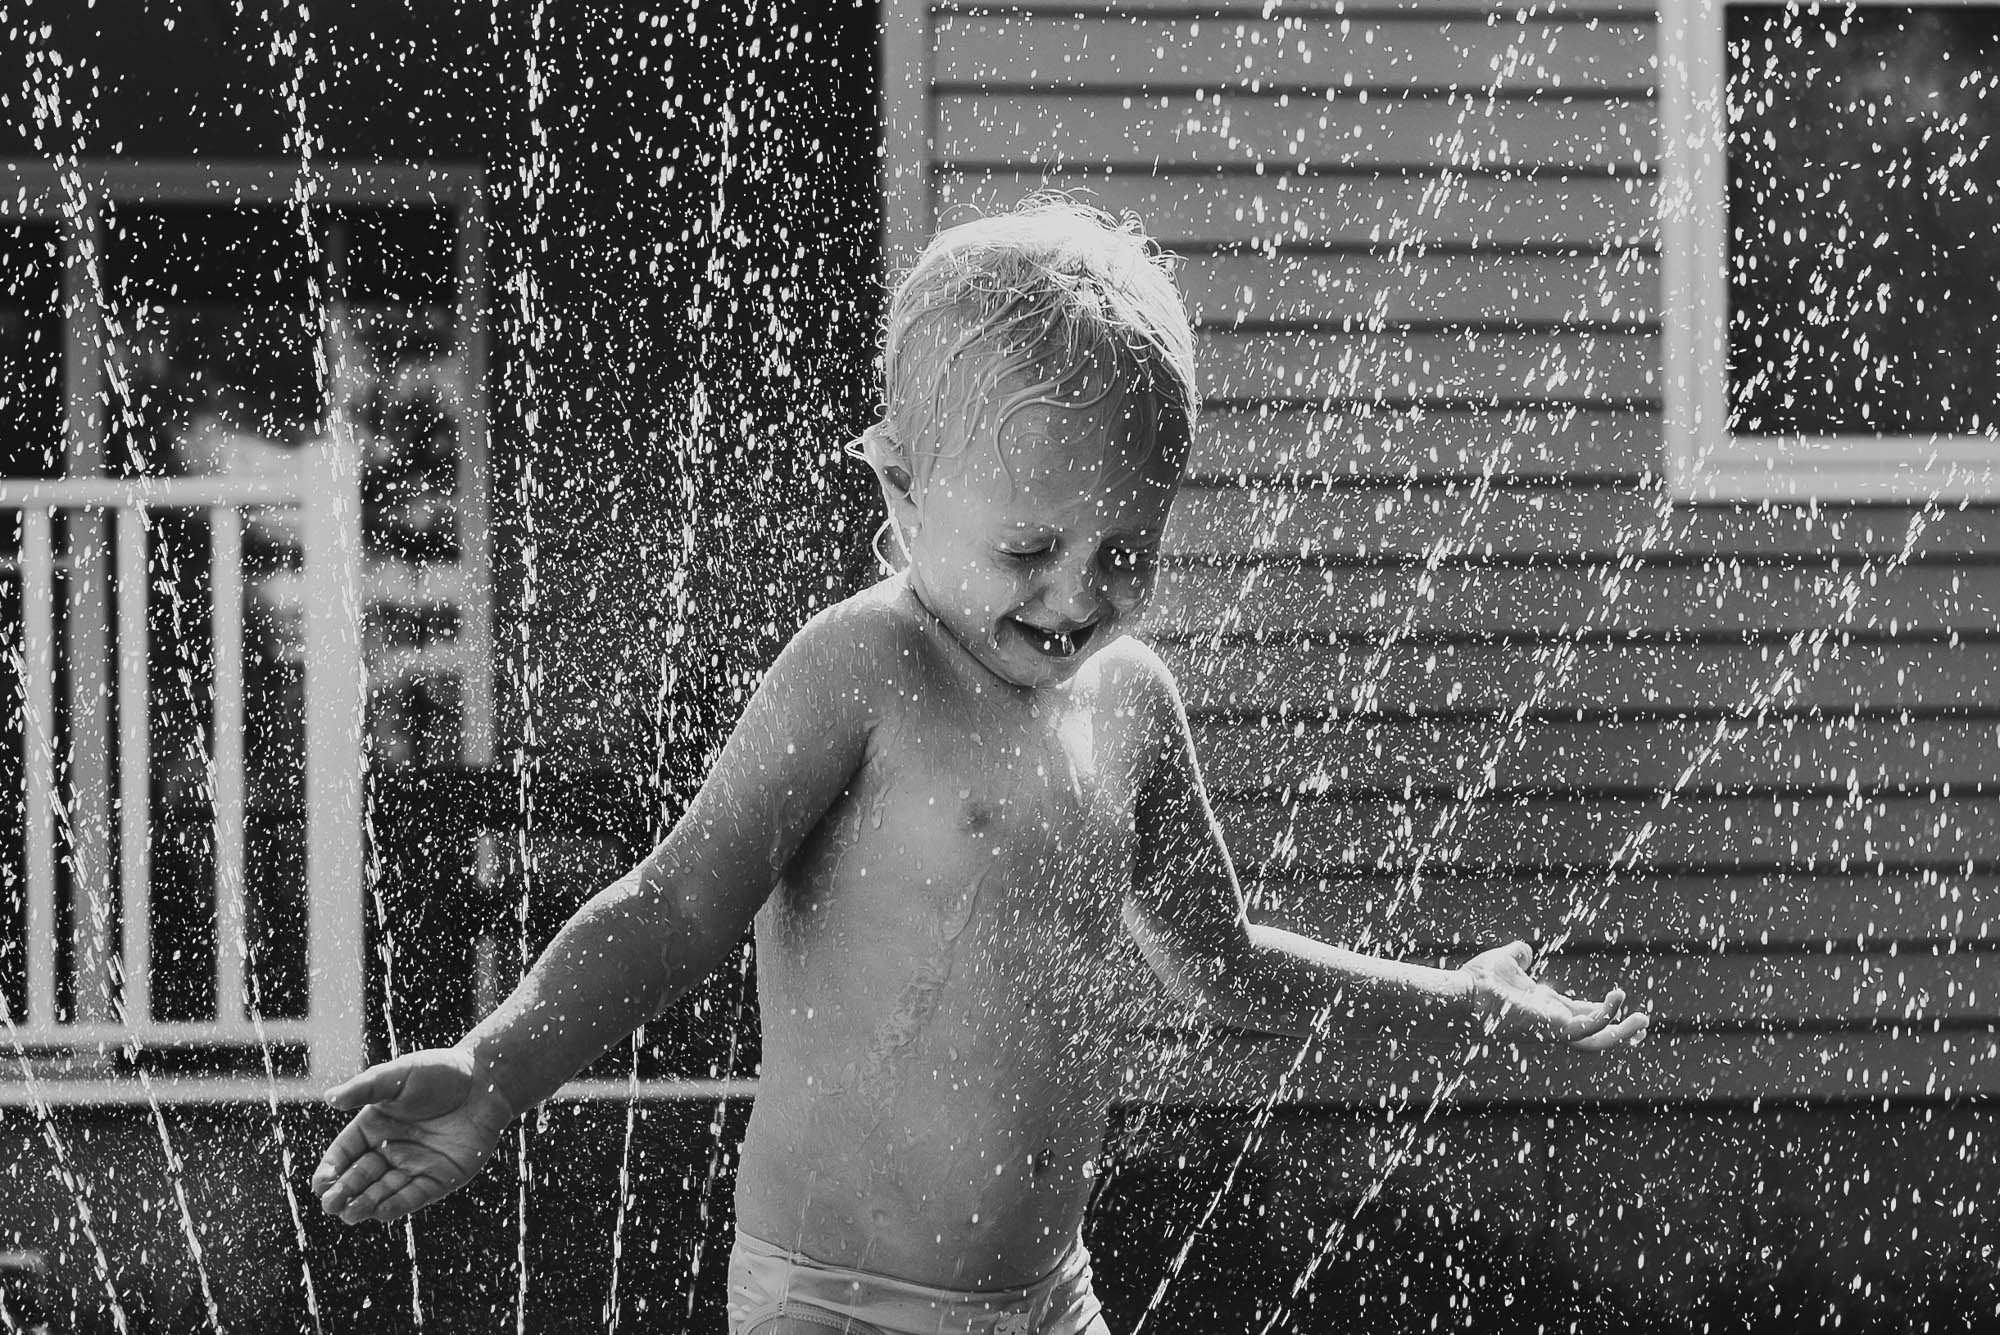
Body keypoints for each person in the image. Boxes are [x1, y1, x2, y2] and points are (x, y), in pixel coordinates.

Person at [312, 199, 1648, 1335]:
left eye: (1125, 551)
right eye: (1028, 552)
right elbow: (678, 903)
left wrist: (1458, 1001)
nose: (1077, 598)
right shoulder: (862, 671)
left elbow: (1223, 960)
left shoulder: (1130, 704)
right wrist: (498, 1069)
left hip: (1048, 1301)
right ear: (898, 495)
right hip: (836, 1306)